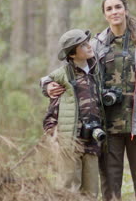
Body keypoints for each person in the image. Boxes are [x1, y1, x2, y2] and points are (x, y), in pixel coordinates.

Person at [43, 0, 136, 201]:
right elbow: (70, 71)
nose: (114, 12)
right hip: (106, 125)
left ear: (126, 10)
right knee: (110, 182)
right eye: (109, 9)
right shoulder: (96, 44)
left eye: (118, 7)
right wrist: (47, 85)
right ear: (105, 15)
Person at [42, 29, 106, 198]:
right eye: (82, 45)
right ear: (71, 54)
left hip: (92, 141)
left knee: (91, 191)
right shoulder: (63, 76)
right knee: (69, 188)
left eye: (87, 42)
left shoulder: (96, 71)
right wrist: (54, 135)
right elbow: (51, 111)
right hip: (70, 142)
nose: (88, 46)